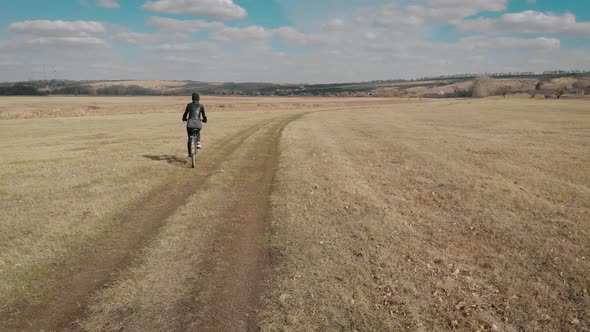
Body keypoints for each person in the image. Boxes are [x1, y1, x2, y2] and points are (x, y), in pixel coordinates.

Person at [182, 93, 207, 158]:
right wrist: (204, 120)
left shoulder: (189, 105)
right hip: (198, 123)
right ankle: (198, 142)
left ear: (192, 98)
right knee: (198, 131)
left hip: (190, 123)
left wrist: (184, 118)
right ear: (198, 98)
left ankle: (190, 154)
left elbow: (185, 114)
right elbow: (204, 116)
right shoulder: (201, 106)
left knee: (189, 139)